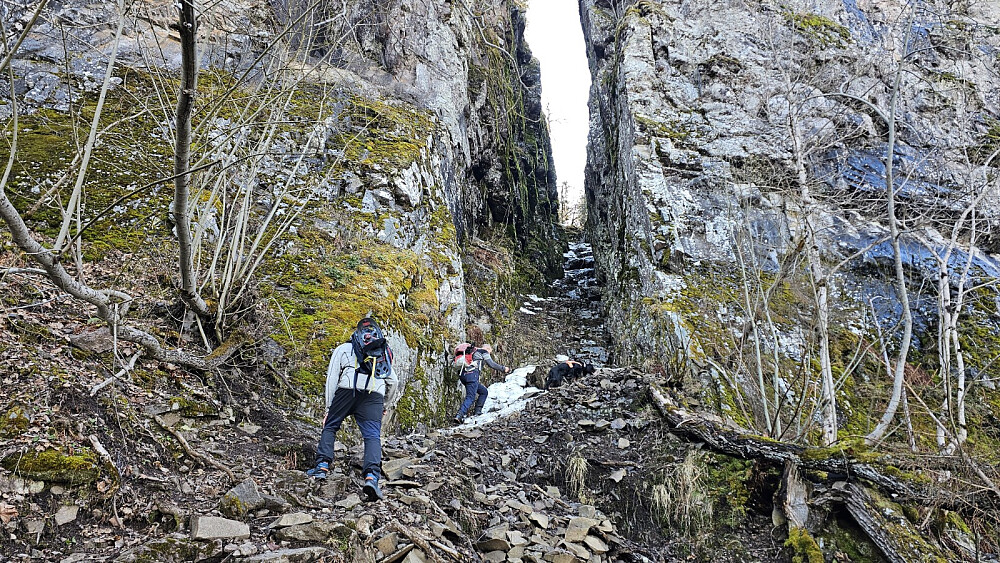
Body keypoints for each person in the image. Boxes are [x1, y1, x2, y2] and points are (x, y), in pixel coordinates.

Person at [306, 318, 397, 502]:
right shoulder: (381, 353)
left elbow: (332, 378)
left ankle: (322, 466)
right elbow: (393, 382)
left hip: (348, 390)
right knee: (372, 436)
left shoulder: (343, 349)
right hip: (374, 394)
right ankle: (371, 477)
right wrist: (385, 405)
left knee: (331, 426)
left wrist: (328, 409)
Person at [453, 343, 510, 423]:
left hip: (463, 376)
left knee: (483, 392)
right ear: (488, 349)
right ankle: (459, 415)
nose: (489, 354)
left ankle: (477, 412)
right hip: (472, 376)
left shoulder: (471, 351)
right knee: (470, 397)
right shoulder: (483, 351)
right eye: (490, 352)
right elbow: (491, 364)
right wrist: (503, 369)